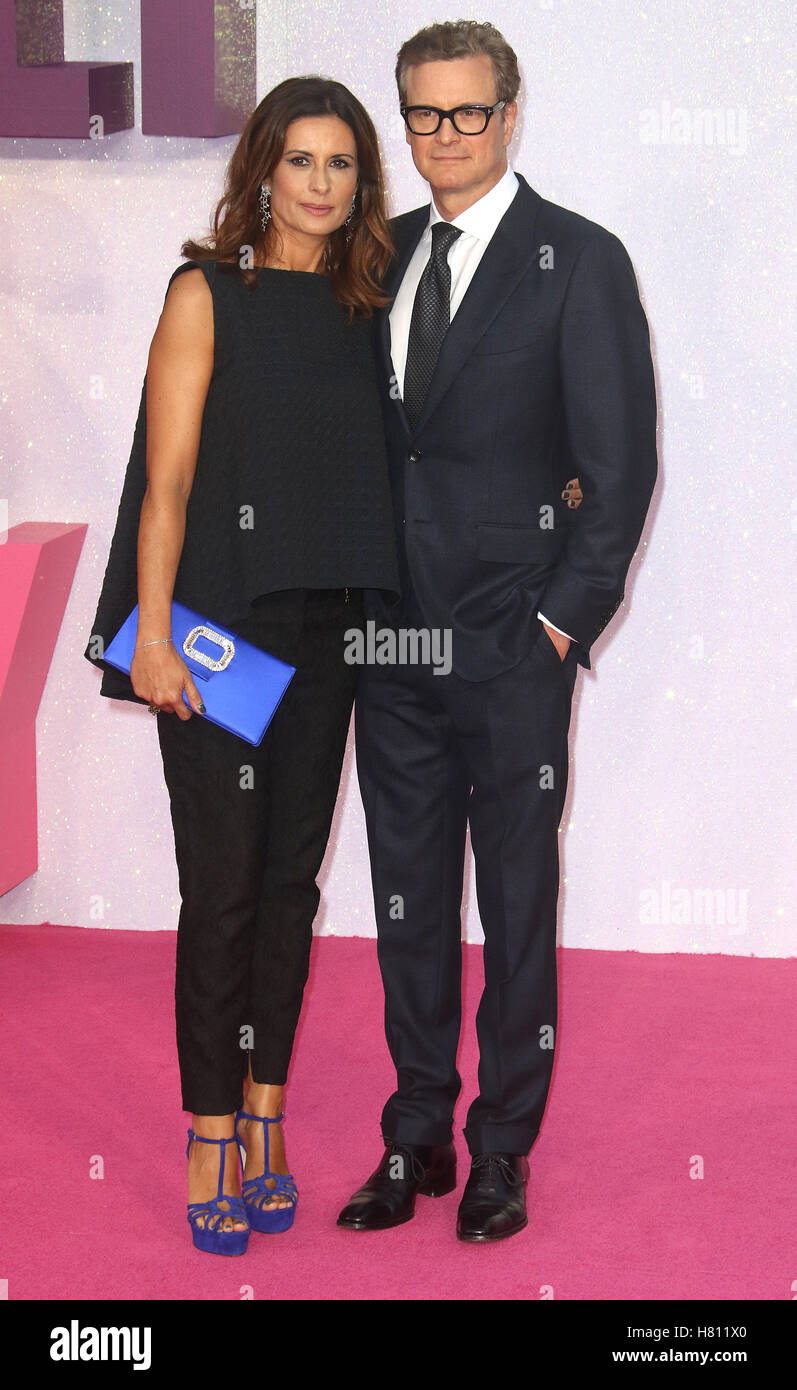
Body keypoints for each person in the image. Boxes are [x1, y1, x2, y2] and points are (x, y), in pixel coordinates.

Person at [337, 20, 658, 1242]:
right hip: (391, 648)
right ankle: (413, 1130)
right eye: (420, 116)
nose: (441, 139)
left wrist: (557, 627)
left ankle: (500, 1151)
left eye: (466, 115)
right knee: (405, 896)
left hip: (511, 648)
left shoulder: (575, 260)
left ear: (509, 116)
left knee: (516, 901)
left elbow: (615, 471)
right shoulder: (381, 255)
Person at [84, 77, 400, 1255]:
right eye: (301, 161)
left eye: (341, 165)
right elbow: (163, 484)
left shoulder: (368, 301)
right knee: (220, 890)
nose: (320, 184)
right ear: (261, 169)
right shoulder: (206, 290)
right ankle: (209, 1129)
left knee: (290, 891)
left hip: (327, 637)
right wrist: (152, 632)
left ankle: (267, 1116)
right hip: (219, 638)